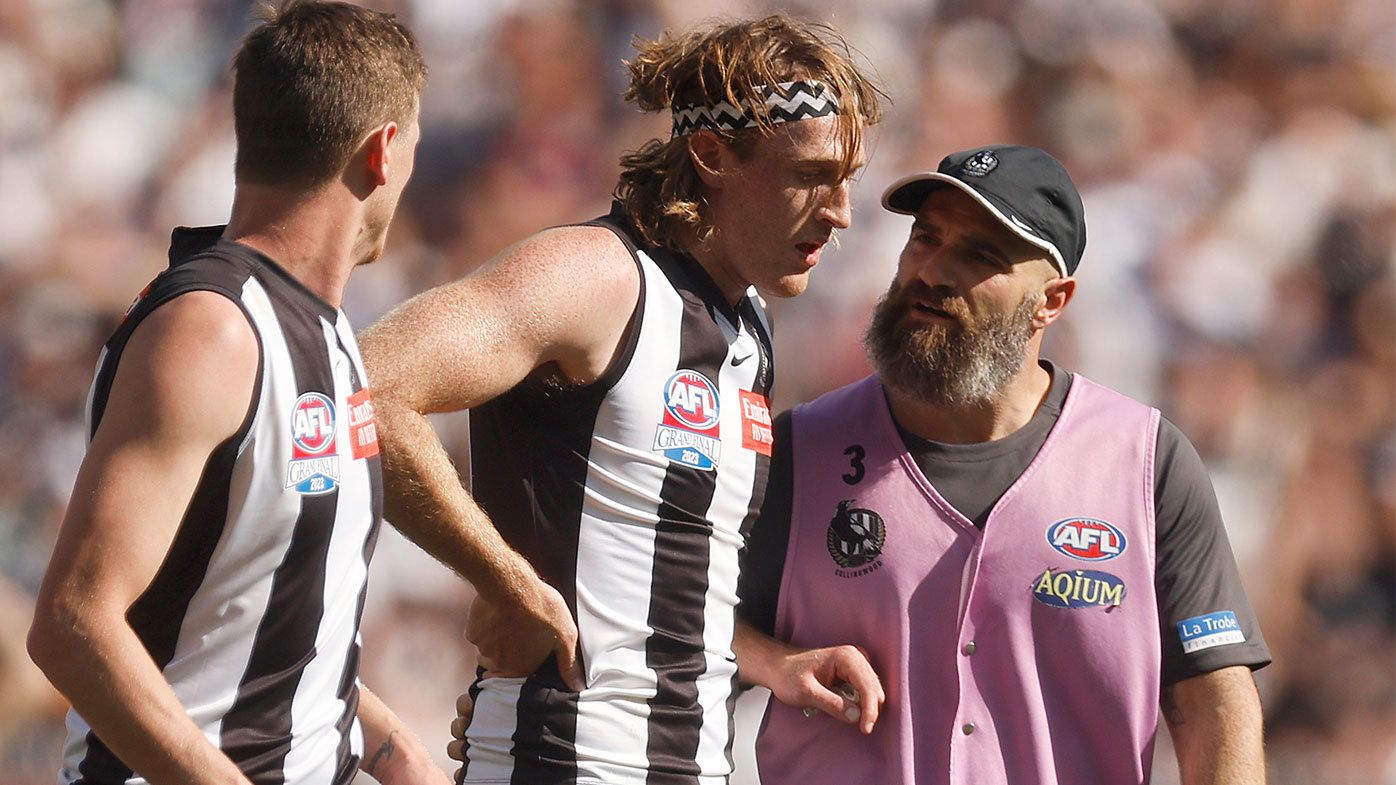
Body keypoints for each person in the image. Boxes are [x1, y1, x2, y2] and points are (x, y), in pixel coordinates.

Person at [358, 15, 885, 784]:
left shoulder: (750, 330)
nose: (839, 213)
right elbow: (366, 386)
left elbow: (655, 570)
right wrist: (502, 577)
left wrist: (768, 660)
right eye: (810, 174)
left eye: (849, 179)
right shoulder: (597, 276)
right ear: (711, 154)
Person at [733, 145, 1272, 784]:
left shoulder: (1144, 462)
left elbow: (1212, 703)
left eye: (980, 256)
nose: (932, 271)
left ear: (1052, 301)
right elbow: (680, 618)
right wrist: (771, 662)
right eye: (926, 239)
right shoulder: (798, 450)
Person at [25, 3, 449, 783]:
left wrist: (396, 752)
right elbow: (72, 623)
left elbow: (255, 612)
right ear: (383, 152)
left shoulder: (324, 333)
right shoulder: (212, 333)